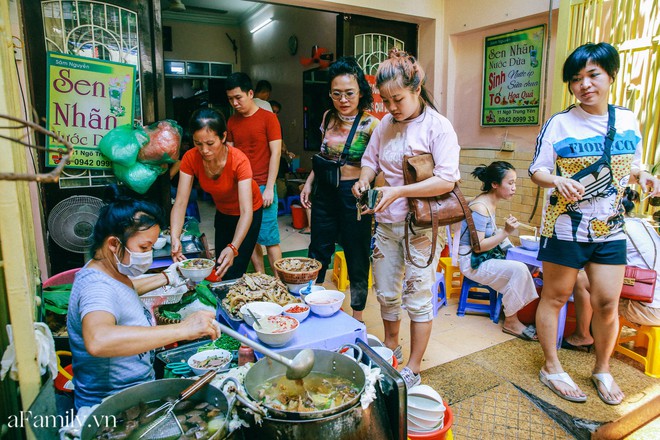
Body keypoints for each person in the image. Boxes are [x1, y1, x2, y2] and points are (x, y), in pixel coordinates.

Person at [529, 42, 660, 405]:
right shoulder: (560, 123)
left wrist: (643, 175)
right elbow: (536, 170)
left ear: (610, 76)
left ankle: (602, 368)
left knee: (606, 302)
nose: (584, 84)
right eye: (576, 79)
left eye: (592, 75)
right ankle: (552, 367)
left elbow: (630, 164)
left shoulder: (629, 119)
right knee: (554, 298)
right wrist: (556, 180)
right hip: (565, 227)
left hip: (611, 228)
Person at [352, 49, 460, 388]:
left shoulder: (438, 127)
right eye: (385, 101)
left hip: (423, 227)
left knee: (418, 293)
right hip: (386, 223)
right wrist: (365, 179)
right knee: (386, 291)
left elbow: (447, 179)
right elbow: (370, 160)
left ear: (417, 88)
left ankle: (414, 365)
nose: (391, 108)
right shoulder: (386, 124)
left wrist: (398, 192)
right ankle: (390, 344)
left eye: (397, 99)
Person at [67, 189, 221, 410]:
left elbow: (123, 292)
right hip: (114, 407)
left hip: (137, 393)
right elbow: (99, 340)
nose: (148, 254)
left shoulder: (106, 271)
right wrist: (183, 329)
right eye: (143, 247)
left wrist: (168, 276)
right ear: (113, 244)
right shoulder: (96, 288)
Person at [300, 56, 379, 322]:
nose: (343, 100)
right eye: (337, 94)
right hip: (325, 191)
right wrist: (310, 182)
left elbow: (375, 164)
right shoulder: (328, 117)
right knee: (318, 249)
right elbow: (324, 156)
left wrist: (365, 184)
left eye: (349, 93)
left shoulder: (372, 125)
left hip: (353, 195)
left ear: (360, 93)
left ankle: (357, 313)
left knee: (357, 252)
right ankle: (314, 302)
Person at [171, 108, 263, 280]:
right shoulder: (191, 158)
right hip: (223, 212)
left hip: (249, 212)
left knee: (235, 267)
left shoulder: (239, 160)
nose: (204, 150)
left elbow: (246, 211)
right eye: (198, 143)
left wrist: (234, 247)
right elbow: (180, 203)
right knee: (221, 266)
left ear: (223, 137)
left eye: (210, 143)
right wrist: (175, 237)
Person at [564, 188, 660, 353]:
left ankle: (582, 335)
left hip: (649, 309)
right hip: (654, 300)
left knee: (581, 279)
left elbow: (586, 259)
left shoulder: (616, 228)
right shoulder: (644, 224)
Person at [457, 161, 539, 339]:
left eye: (514, 183)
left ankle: (512, 310)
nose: (514, 188)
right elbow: (478, 247)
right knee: (519, 269)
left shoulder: (489, 201)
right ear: (495, 184)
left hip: (482, 258)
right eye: (510, 183)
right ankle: (511, 320)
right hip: (471, 262)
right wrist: (506, 232)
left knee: (525, 265)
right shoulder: (480, 207)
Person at [225, 73, 283, 275]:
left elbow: (275, 153)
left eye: (238, 97)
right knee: (249, 236)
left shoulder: (269, 118)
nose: (235, 103)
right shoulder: (231, 122)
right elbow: (230, 155)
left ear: (250, 93)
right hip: (242, 187)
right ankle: (260, 275)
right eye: (230, 99)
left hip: (263, 186)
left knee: (269, 236)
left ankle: (278, 281)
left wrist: (269, 188)